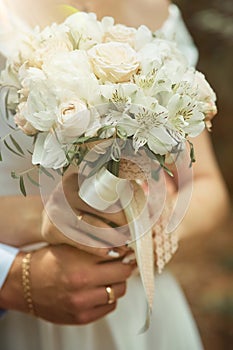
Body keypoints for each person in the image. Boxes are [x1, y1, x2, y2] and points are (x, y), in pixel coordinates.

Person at [0, 0, 230, 349]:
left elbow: (207, 186)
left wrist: (146, 234)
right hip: (30, 309)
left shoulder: (155, 12)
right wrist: (39, 229)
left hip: (138, 300)